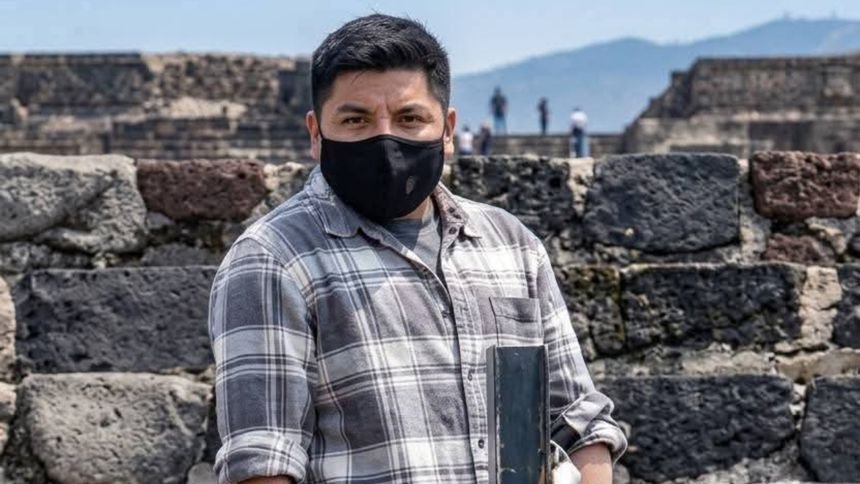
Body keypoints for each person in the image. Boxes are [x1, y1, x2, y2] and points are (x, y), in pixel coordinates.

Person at [209, 14, 626, 484]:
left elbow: (577, 419)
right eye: (355, 120)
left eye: (410, 118)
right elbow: (264, 461)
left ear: (447, 130)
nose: (385, 139)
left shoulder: (511, 245)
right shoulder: (273, 260)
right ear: (316, 133)